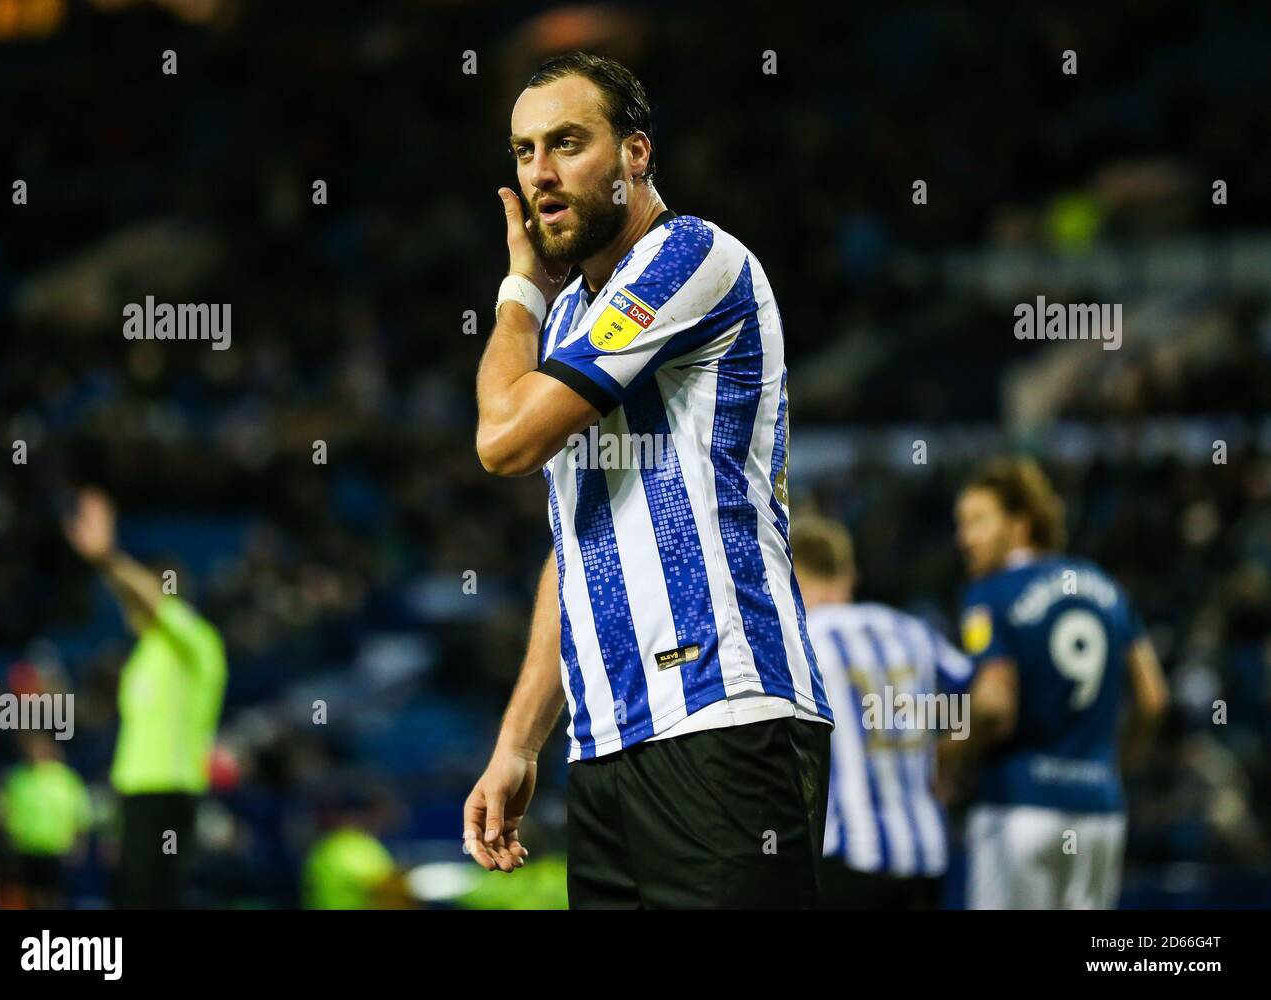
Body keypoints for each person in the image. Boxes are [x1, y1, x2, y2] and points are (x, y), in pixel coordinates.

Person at [467, 52, 832, 908]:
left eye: (566, 143)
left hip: (722, 718)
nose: (541, 175)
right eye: (524, 153)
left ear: (636, 154)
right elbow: (578, 540)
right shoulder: (572, 319)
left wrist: (517, 289)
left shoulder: (689, 257)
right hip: (606, 751)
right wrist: (521, 743)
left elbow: (502, 440)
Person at [949, 457, 1169, 909]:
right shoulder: (1107, 587)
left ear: (1021, 524)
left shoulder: (989, 594)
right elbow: (1152, 698)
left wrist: (947, 754)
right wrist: (1111, 766)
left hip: (1020, 807)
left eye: (978, 522)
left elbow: (993, 707)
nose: (964, 539)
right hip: (1099, 812)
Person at [791, 514, 972, 909]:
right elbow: (974, 697)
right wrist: (945, 763)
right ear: (850, 573)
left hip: (848, 855)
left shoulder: (800, 641)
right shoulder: (912, 630)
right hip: (926, 853)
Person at [62, 486, 228, 909]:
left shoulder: (196, 642)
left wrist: (106, 557)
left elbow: (152, 603)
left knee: (156, 900)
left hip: (169, 794)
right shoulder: (143, 656)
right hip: (134, 796)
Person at [0, 732, 91, 909]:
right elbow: (5, 812)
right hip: (26, 847)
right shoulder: (18, 778)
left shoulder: (66, 779)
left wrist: (79, 842)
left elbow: (80, 813)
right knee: (32, 894)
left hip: (58, 847)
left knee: (56, 895)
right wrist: (8, 840)